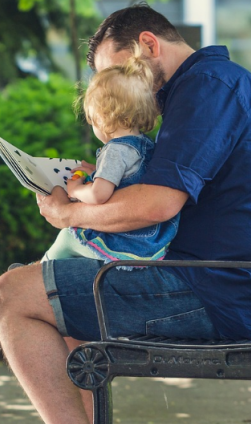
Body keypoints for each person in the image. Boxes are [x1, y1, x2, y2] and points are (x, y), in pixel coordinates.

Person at [0, 2, 251, 424]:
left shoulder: (207, 89)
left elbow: (158, 204)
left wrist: (69, 216)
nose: (119, 87)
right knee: (63, 296)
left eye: (118, 70)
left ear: (148, 45)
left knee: (11, 295)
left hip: (220, 292)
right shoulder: (209, 86)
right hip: (231, 283)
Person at [43, 45, 179, 263]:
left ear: (102, 117)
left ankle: (40, 269)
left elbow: (99, 195)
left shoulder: (115, 151)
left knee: (67, 238)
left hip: (126, 242)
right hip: (150, 241)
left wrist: (77, 189)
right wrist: (97, 171)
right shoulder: (144, 145)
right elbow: (125, 178)